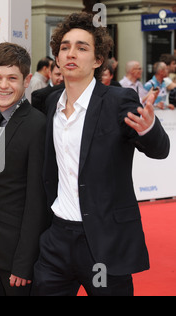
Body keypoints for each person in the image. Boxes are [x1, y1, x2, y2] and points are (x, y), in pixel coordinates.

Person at [32, 12, 170, 296]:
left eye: (82, 47)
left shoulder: (119, 101)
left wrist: (149, 128)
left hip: (104, 241)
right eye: (65, 47)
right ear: (56, 58)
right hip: (56, 239)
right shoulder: (46, 101)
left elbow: (160, 150)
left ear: (97, 61)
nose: (71, 53)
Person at [0, 42, 50, 296]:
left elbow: (37, 201)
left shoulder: (37, 125)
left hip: (15, 258)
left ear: (26, 80)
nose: (3, 85)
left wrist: (24, 263)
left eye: (12, 78)